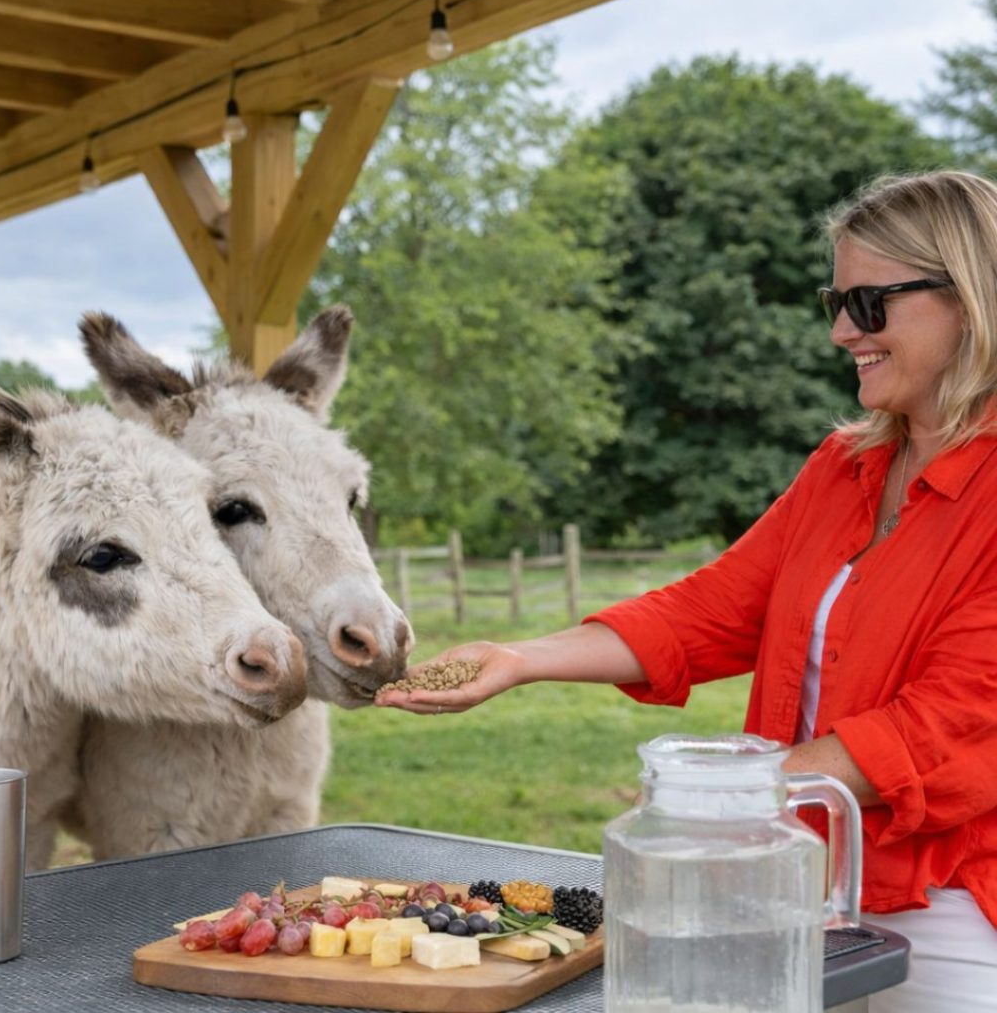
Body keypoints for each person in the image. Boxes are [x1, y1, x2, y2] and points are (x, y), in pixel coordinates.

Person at [376, 169, 997, 1012]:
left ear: (969, 297)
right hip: (800, 887)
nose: (844, 333)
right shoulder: (841, 469)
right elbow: (711, 609)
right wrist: (519, 658)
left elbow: (952, 721)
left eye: (871, 305)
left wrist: (722, 799)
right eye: (836, 303)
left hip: (954, 919)